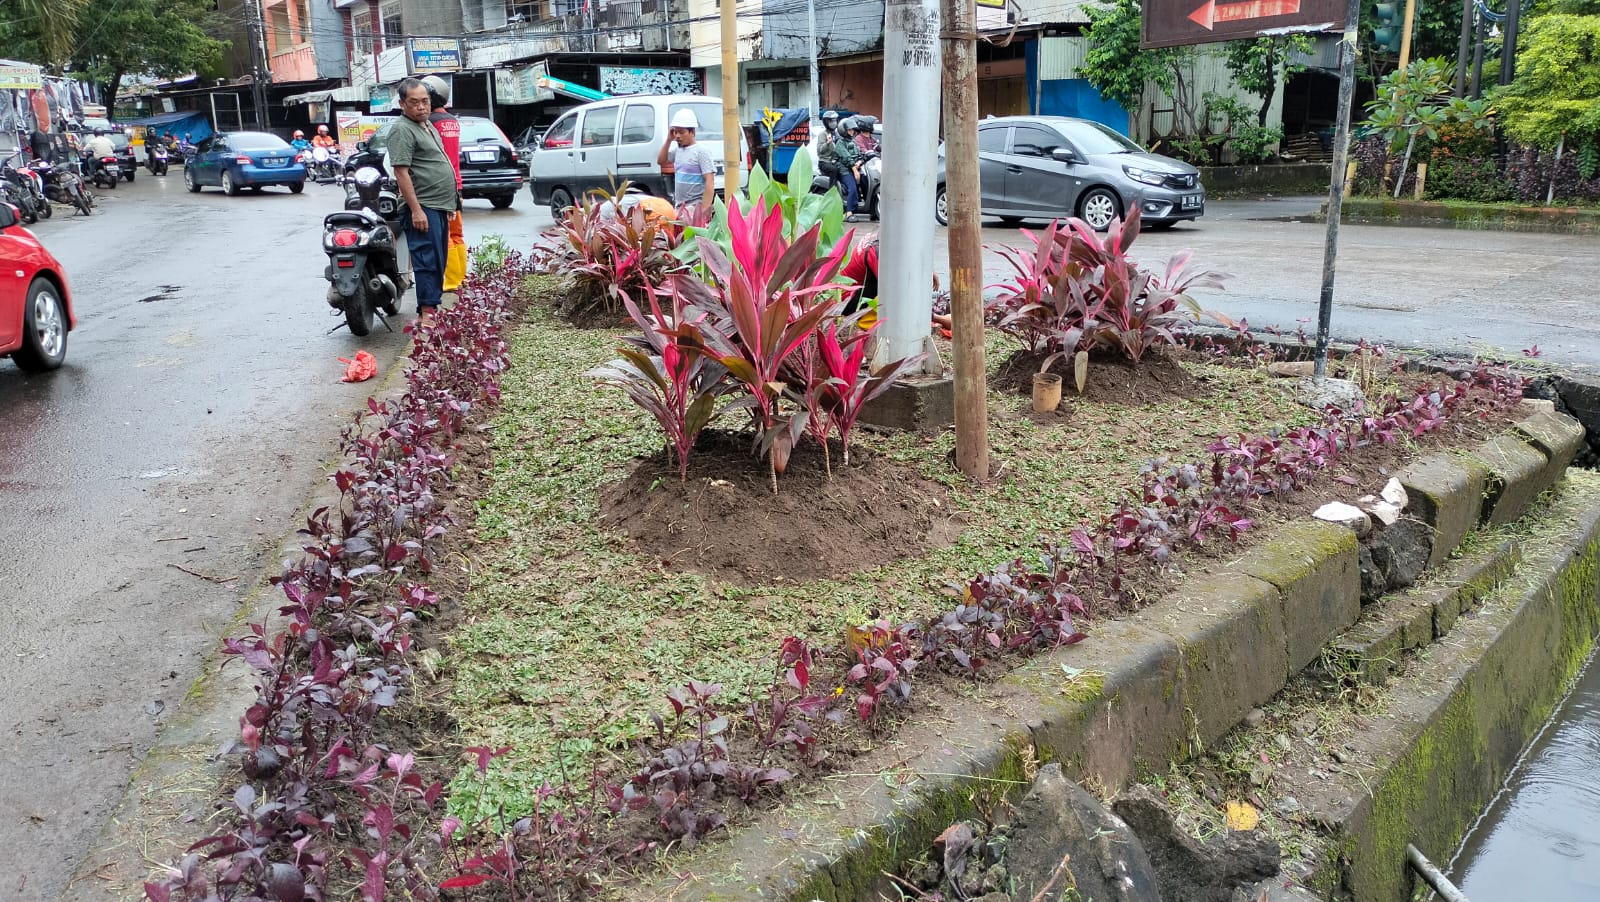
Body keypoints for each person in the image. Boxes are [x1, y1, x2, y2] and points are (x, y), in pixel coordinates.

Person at [388, 77, 460, 322]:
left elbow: (438, 164)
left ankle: (429, 311)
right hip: (423, 206)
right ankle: (428, 316)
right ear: (402, 104)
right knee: (427, 260)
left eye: (425, 101)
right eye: (414, 102)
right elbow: (401, 172)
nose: (421, 107)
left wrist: (451, 203)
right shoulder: (402, 129)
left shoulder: (427, 126)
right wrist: (416, 210)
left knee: (439, 260)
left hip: (438, 205)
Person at [840, 236, 952, 334]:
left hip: (856, 287)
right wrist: (940, 319)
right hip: (846, 302)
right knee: (893, 290)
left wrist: (927, 269)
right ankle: (869, 322)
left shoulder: (885, 236)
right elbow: (900, 296)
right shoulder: (879, 255)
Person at [421, 74, 465, 297]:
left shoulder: (430, 124)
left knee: (444, 236)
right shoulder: (451, 120)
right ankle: (458, 277)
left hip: (439, 185)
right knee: (457, 233)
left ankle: (448, 281)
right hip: (456, 183)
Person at [657, 108, 717, 211]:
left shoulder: (701, 151)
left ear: (692, 132)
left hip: (695, 207)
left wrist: (704, 210)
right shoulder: (678, 151)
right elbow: (661, 161)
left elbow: (710, 180)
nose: (677, 136)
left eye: (681, 132)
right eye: (675, 132)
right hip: (680, 207)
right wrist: (668, 140)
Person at [833, 119, 863, 221]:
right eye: (849, 130)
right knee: (852, 188)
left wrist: (859, 162)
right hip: (844, 170)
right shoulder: (840, 143)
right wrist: (855, 171)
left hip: (855, 168)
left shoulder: (853, 142)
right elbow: (847, 158)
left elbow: (859, 154)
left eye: (852, 130)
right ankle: (849, 213)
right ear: (844, 130)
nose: (852, 132)